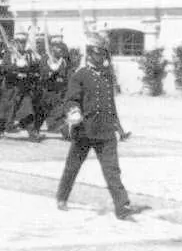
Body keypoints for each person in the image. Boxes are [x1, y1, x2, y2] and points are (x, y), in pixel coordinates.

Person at [56, 32, 143, 220]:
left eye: (103, 54)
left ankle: (122, 206)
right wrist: (74, 112)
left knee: (112, 170)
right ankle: (62, 197)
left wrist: (119, 128)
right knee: (73, 167)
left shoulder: (106, 76)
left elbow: (110, 105)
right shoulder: (80, 75)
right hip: (84, 131)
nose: (101, 57)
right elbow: (71, 99)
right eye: (97, 54)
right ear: (89, 54)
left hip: (105, 131)